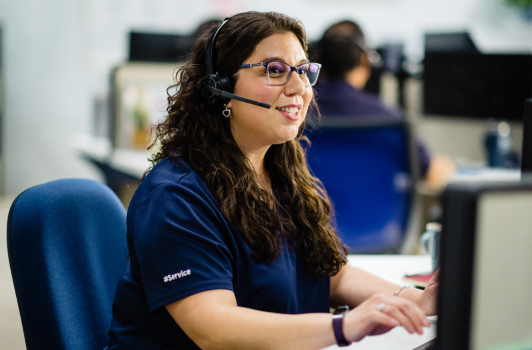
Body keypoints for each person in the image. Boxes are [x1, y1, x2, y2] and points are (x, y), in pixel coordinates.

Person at [105, 11, 438, 350]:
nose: (299, 88)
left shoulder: (282, 173)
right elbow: (214, 328)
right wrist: (342, 327)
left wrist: (417, 300)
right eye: (275, 71)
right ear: (219, 87)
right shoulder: (176, 196)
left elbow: (330, 276)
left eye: (304, 71)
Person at [313, 20, 432, 178]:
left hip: (308, 203)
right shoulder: (390, 121)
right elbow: (429, 171)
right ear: (365, 60)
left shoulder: (296, 116)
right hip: (374, 203)